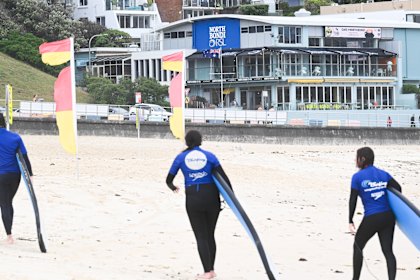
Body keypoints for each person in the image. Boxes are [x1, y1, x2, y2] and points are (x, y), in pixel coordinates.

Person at [166, 130, 232, 279]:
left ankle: (207, 272)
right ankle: (212, 270)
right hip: (212, 199)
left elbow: (168, 179)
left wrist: (173, 187)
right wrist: (231, 200)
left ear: (186, 142)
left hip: (194, 199)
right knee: (210, 235)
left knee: (201, 236)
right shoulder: (210, 156)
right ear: (201, 141)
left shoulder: (181, 158)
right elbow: (225, 179)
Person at [349, 147, 401, 280]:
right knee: (388, 251)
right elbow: (398, 188)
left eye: (357, 157)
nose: (355, 160)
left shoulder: (357, 177)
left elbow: (353, 200)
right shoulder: (384, 174)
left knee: (358, 246)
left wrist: (350, 219)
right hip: (388, 217)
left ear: (362, 159)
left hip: (372, 217)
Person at [0, 113, 33, 244]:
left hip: (0, 175)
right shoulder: (15, 137)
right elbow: (24, 157)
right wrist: (30, 175)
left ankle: (9, 236)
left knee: (5, 203)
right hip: (15, 176)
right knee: (7, 201)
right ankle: (9, 233)